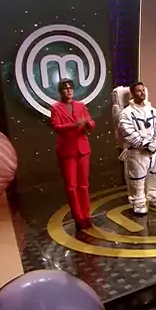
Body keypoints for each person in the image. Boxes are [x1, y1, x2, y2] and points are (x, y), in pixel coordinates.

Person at [118, 82, 156, 216]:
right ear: (132, 94)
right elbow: (128, 131)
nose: (142, 93)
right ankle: (138, 202)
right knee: (137, 178)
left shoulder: (152, 110)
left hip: (154, 151)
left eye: (143, 90)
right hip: (136, 152)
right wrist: (146, 145)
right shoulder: (126, 113)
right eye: (139, 91)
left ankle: (155, 197)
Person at [50, 79, 95, 231]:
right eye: (65, 88)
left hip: (83, 149)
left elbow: (91, 122)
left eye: (71, 88)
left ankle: (86, 215)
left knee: (84, 185)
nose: (69, 91)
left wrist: (88, 124)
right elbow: (56, 127)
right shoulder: (55, 108)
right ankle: (78, 217)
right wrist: (74, 125)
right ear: (60, 91)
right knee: (71, 187)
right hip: (67, 150)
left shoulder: (81, 106)